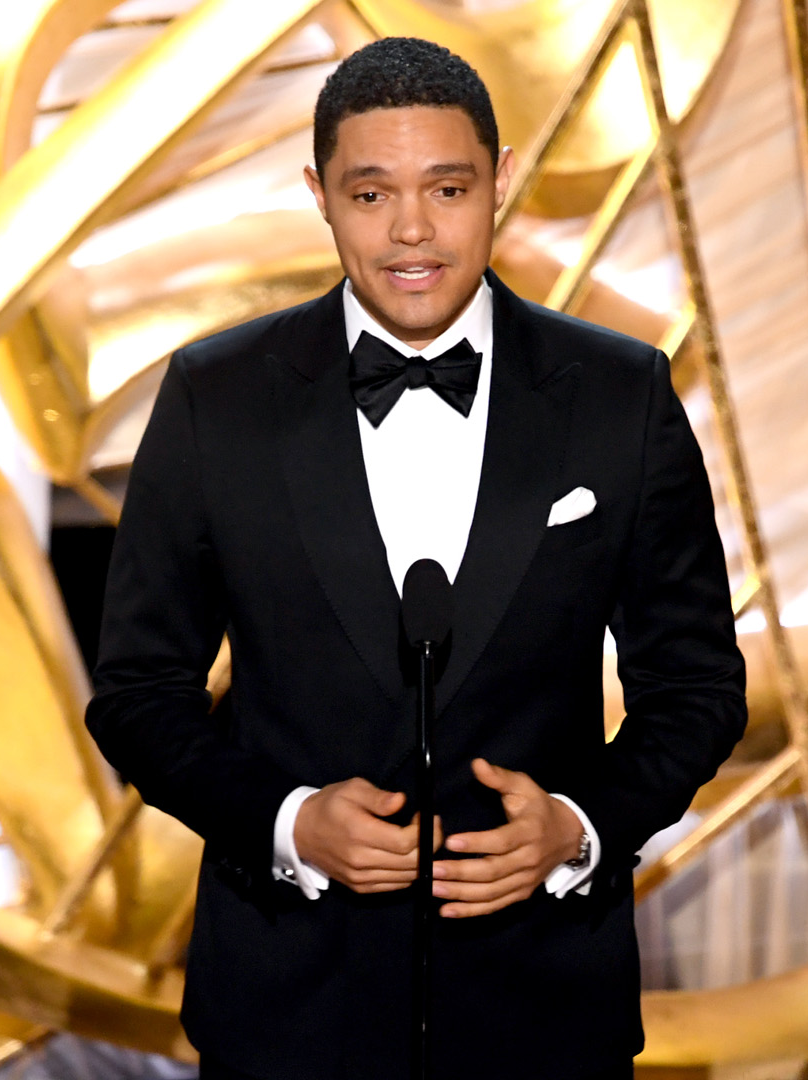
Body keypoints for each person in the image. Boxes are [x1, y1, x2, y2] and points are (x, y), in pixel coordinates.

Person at [85, 35, 745, 1080]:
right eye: (371, 193)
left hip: (544, 1016)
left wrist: (577, 829)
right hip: (287, 1015)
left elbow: (698, 686)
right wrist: (290, 823)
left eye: (447, 187)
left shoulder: (621, 397)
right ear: (319, 194)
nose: (411, 230)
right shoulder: (219, 398)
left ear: (502, 181)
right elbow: (136, 694)